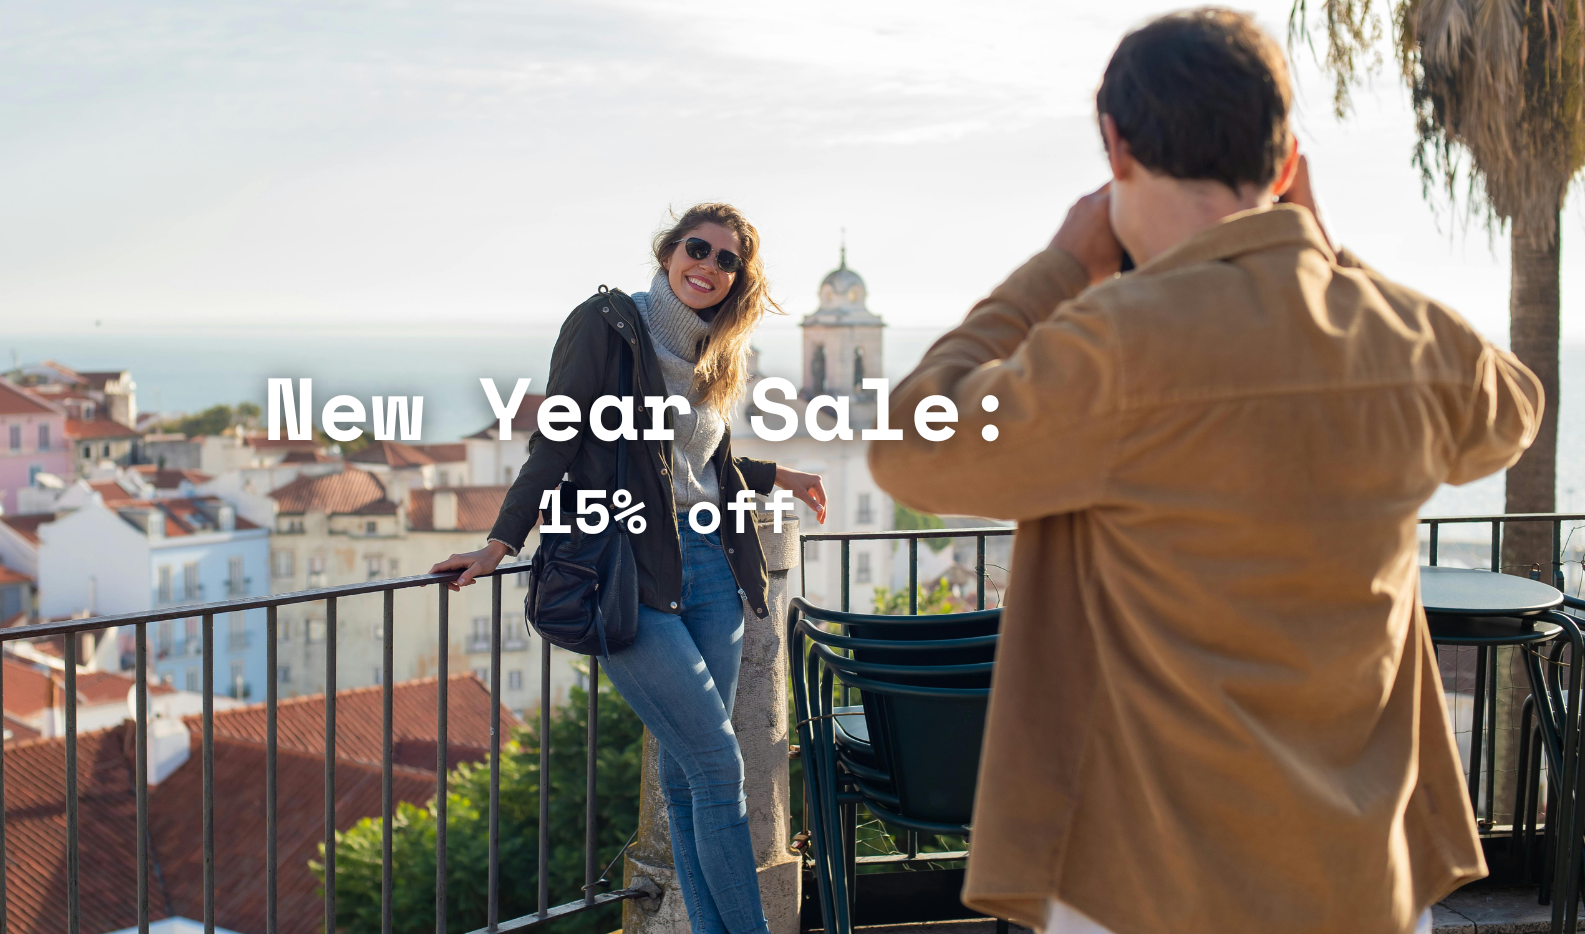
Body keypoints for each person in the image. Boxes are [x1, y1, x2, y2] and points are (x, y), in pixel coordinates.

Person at [867, 10, 1541, 934]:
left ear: (1116, 144)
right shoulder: (1404, 341)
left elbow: (911, 443)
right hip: (1364, 882)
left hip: (1152, 885)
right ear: (1286, 161)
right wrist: (1323, 251)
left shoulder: (1116, 344)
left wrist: (1055, 269)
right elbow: (1512, 408)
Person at [433, 203, 827, 934]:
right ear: (669, 250)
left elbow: (698, 462)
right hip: (629, 570)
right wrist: (500, 543)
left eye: (727, 260)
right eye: (697, 248)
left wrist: (780, 476)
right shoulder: (608, 324)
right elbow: (557, 440)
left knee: (689, 778)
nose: (708, 266)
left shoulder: (714, 352)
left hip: (714, 566)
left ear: (738, 279)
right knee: (720, 766)